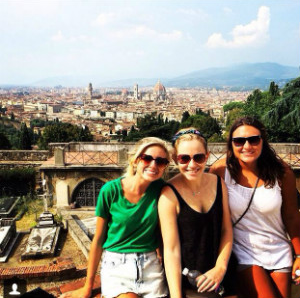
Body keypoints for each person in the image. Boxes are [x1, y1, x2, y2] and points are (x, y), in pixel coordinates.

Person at [60, 137, 171, 298]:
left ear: (165, 167)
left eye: (160, 161)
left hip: (151, 265)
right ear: (135, 161)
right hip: (118, 265)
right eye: (147, 158)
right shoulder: (110, 190)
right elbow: (98, 240)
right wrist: (87, 286)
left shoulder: (162, 190)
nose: (153, 165)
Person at [209, 116, 300, 298]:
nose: (247, 146)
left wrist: (299, 255)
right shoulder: (219, 172)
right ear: (231, 144)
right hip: (243, 253)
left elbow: (291, 216)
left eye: (253, 139)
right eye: (239, 141)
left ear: (262, 141)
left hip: (279, 251)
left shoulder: (282, 173)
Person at [158, 128, 236, 298]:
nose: (192, 165)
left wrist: (220, 269)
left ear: (207, 156)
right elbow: (171, 250)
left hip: (223, 277)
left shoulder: (218, 183)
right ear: (174, 159)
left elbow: (226, 230)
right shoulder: (168, 195)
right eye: (184, 158)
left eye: (198, 158)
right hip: (192, 283)